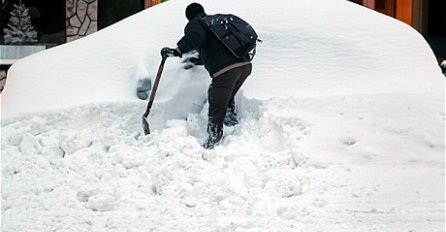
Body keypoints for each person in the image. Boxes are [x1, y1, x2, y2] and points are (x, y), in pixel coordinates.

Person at [161, 3, 253, 149]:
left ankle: (213, 140)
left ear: (189, 17)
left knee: (216, 103)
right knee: (225, 97)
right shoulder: (213, 23)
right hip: (244, 66)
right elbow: (215, 50)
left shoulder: (196, 24)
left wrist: (177, 51)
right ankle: (232, 125)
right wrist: (196, 60)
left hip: (226, 70)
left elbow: (195, 37)